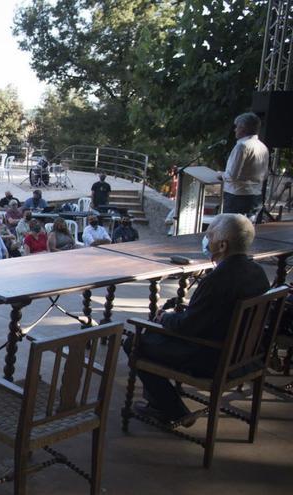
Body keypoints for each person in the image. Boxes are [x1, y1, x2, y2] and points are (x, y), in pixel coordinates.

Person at [124, 214, 269, 426]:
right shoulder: (258, 272)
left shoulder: (216, 280)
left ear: (222, 245)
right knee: (154, 335)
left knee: (134, 343)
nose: (206, 240)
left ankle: (171, 409)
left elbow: (188, 326)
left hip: (211, 358)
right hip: (244, 357)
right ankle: (159, 403)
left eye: (209, 235)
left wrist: (165, 317)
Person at [219, 112, 269, 216]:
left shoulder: (242, 147)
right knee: (248, 229)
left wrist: (221, 175)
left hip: (237, 196)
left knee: (232, 229)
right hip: (256, 196)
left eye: (237, 127)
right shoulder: (263, 147)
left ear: (243, 128)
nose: (235, 130)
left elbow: (232, 176)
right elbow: (264, 175)